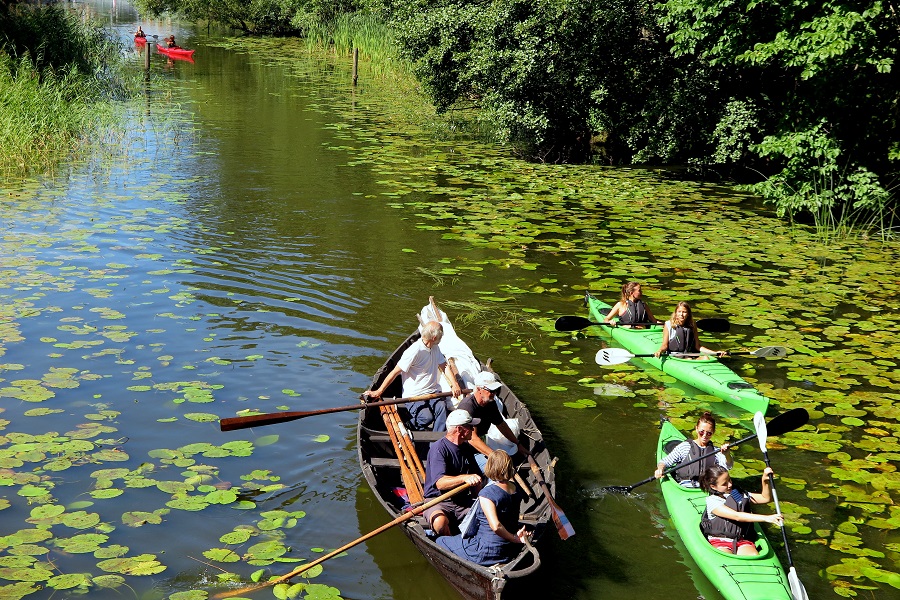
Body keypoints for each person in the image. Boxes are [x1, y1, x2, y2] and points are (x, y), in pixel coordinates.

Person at [436, 450, 532, 564]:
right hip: (507, 549)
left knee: (440, 541)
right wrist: (513, 537)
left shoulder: (487, 494)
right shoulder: (516, 489)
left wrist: (514, 538)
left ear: (490, 467)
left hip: (485, 550)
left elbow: (496, 526)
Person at [365, 320, 461, 431]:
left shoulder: (435, 348)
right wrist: (379, 391)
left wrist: (455, 384)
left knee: (442, 410)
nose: (442, 337)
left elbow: (444, 366)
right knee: (426, 417)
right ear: (434, 338)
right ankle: (409, 425)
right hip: (415, 394)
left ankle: (437, 439)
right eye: (441, 335)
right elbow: (395, 372)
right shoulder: (414, 351)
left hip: (433, 391)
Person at [423, 410, 484, 536]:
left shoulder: (466, 448)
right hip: (438, 501)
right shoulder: (439, 448)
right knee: (440, 522)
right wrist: (464, 478)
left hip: (462, 502)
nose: (473, 429)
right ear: (459, 429)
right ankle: (449, 542)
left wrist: (480, 499)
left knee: (488, 515)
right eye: (470, 426)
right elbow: (440, 483)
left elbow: (476, 478)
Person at [699, 464, 783, 555]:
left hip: (741, 539)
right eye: (724, 484)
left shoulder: (738, 493)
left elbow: (765, 498)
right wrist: (767, 518)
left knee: (754, 555)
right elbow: (737, 516)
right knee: (727, 556)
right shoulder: (713, 501)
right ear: (713, 486)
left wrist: (765, 481)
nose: (730, 484)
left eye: (729, 480)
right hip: (720, 540)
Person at [456, 371, 529, 468]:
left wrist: (518, 443)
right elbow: (472, 439)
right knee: (496, 467)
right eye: (491, 390)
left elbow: (501, 425)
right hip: (464, 448)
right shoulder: (468, 407)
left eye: (496, 390)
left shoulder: (491, 403)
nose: (494, 393)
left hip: (481, 443)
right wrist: (495, 457)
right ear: (479, 389)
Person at [655, 412, 732, 487]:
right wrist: (660, 469)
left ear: (713, 432)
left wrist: (727, 455)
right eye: (701, 432)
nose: (704, 435)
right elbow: (665, 462)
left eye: (709, 433)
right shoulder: (685, 447)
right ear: (696, 429)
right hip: (686, 486)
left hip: (707, 487)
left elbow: (728, 466)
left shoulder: (715, 451)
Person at [654, 301, 724, 359]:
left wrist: (714, 353)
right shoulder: (668, 325)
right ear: (676, 313)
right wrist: (660, 351)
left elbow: (698, 347)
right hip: (675, 356)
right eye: (679, 312)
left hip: (690, 355)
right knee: (689, 358)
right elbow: (665, 345)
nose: (681, 314)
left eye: (684, 312)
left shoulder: (692, 325)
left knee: (705, 358)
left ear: (688, 314)